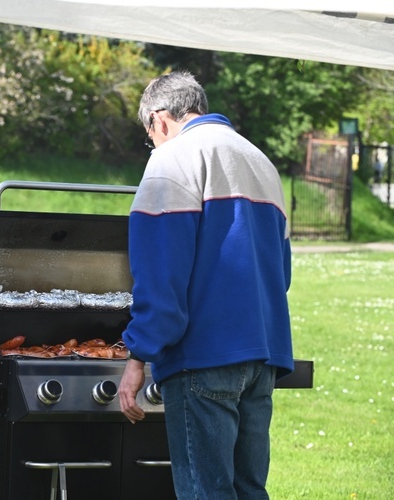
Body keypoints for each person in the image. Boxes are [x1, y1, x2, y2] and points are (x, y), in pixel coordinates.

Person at [118, 71, 294, 499]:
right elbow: (281, 273)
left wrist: (138, 355)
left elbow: (162, 273)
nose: (152, 145)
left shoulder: (171, 159)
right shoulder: (261, 162)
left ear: (159, 120)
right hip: (262, 355)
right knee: (249, 490)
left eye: (149, 136)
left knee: (205, 492)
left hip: (203, 356)